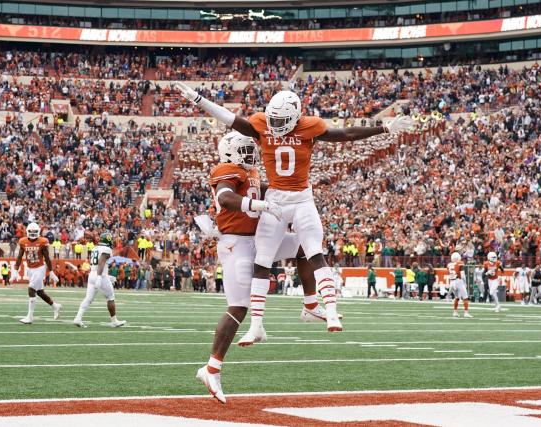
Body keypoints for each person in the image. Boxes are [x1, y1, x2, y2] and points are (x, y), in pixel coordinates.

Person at [176, 82, 413, 339]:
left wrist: (384, 127)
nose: (276, 126)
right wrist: (199, 99)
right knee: (263, 260)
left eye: (282, 121)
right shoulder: (262, 125)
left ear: (296, 116)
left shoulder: (309, 126)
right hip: (276, 198)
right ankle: (258, 324)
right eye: (273, 120)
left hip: (300, 198)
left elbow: (343, 134)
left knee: (312, 249)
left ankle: (325, 308)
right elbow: (231, 119)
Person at [194, 131, 330, 404]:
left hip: (257, 241)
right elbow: (225, 198)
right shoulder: (226, 169)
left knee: (306, 245)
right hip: (236, 244)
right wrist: (259, 204)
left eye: (249, 148)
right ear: (229, 152)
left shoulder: (251, 171)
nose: (249, 153)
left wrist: (292, 194)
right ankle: (211, 368)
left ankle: (310, 305)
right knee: (238, 308)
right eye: (243, 148)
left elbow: (263, 190)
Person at [73, 232, 126, 328]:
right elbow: (101, 263)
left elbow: (98, 264)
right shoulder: (106, 249)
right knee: (110, 297)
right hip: (99, 275)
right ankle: (114, 321)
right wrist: (100, 277)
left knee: (88, 298)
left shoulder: (95, 248)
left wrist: (107, 276)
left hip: (92, 274)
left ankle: (78, 318)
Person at [13, 222, 61, 324]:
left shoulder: (43, 241)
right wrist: (15, 270)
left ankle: (30, 317)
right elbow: (19, 256)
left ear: (38, 232)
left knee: (31, 289)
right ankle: (55, 306)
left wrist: (51, 272)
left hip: (39, 268)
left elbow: (47, 258)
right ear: (27, 232)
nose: (33, 233)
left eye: (35, 232)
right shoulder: (23, 241)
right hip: (30, 269)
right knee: (39, 292)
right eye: (31, 232)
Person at [448, 252, 472, 318]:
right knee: (465, 297)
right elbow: (462, 274)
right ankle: (466, 313)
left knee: (457, 297)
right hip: (459, 281)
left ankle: (455, 312)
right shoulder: (460, 263)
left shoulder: (449, 265)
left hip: (452, 282)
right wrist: (465, 282)